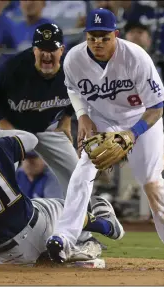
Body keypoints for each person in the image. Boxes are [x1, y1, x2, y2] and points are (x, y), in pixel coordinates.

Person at [47, 8, 164, 263]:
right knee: (84, 168)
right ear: (86, 36)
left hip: (141, 118)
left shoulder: (136, 57)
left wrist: (133, 134)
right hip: (102, 117)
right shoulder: (74, 59)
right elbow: (73, 89)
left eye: (104, 37)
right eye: (92, 37)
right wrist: (83, 116)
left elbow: (156, 107)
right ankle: (64, 238)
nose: (97, 42)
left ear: (116, 35)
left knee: (151, 182)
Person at [0, 113, 124, 265]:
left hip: (4, 257)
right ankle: (102, 227)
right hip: (38, 227)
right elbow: (30, 140)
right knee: (61, 207)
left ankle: (61, 254)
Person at [0, 23, 78, 198]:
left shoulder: (74, 69)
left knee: (76, 175)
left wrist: (67, 118)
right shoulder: (10, 66)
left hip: (46, 125)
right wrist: (2, 124)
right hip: (9, 122)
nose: (47, 54)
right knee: (2, 176)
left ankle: (82, 221)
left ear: (62, 50)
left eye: (52, 49)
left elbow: (80, 93)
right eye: (42, 48)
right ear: (34, 50)